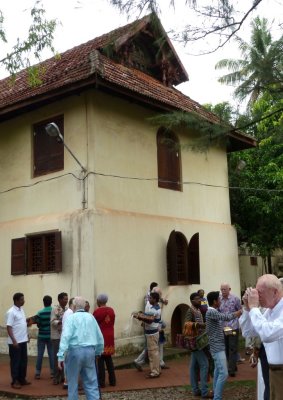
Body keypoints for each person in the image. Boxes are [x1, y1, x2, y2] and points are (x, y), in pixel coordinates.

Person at [239, 274, 283, 400]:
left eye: (260, 292)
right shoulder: (270, 311)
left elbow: (267, 334)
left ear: (274, 292)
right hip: (273, 371)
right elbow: (248, 332)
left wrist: (254, 309)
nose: (257, 296)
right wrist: (247, 309)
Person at [57, 296, 104, 400]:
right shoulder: (91, 317)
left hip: (74, 351)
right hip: (90, 351)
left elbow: (65, 337)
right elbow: (99, 336)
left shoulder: (71, 318)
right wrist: (99, 352)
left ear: (73, 306)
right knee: (91, 382)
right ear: (85, 306)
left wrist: (60, 355)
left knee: (72, 383)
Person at [206, 291, 242, 400]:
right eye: (219, 299)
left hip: (218, 346)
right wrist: (238, 313)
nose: (221, 300)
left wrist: (232, 332)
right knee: (224, 373)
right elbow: (225, 317)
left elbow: (222, 325)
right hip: (217, 348)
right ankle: (217, 397)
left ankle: (215, 395)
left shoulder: (213, 311)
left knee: (218, 372)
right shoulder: (211, 312)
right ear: (214, 301)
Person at [185, 292, 212, 398]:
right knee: (204, 364)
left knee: (193, 366)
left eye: (200, 298)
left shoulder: (198, 310)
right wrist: (199, 325)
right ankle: (204, 391)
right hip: (196, 342)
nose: (199, 300)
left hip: (200, 341)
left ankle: (196, 390)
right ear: (192, 301)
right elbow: (186, 324)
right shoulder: (190, 310)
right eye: (197, 299)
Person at [133, 291, 161, 378]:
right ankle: (157, 369)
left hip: (152, 334)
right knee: (154, 353)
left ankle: (155, 372)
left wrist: (139, 317)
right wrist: (142, 314)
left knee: (152, 353)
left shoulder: (155, 309)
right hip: (152, 332)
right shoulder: (154, 307)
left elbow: (149, 320)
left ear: (155, 299)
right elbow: (147, 315)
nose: (149, 299)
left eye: (151, 298)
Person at [6, 292, 31, 389]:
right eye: (21, 299)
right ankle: (15, 381)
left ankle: (22, 379)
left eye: (23, 299)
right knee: (15, 361)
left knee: (23, 361)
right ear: (16, 300)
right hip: (15, 342)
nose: (23, 301)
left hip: (23, 340)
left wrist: (27, 335)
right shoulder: (11, 312)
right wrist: (14, 341)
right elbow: (9, 327)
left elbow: (23, 324)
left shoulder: (21, 310)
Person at [93, 293, 116, 388]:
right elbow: (112, 322)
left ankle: (101, 382)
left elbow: (94, 325)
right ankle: (112, 381)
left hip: (101, 337)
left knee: (101, 360)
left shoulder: (97, 312)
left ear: (98, 301)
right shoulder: (111, 310)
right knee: (109, 359)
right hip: (110, 336)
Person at [219, 282, 241, 377]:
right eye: (222, 289)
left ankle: (231, 369)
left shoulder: (235, 299)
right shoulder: (219, 299)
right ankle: (232, 365)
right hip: (224, 327)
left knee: (232, 347)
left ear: (229, 289)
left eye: (225, 289)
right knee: (226, 348)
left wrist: (235, 319)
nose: (223, 291)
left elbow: (240, 310)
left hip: (232, 326)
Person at [30, 295, 54, 379]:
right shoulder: (53, 311)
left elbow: (38, 323)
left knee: (40, 354)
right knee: (51, 354)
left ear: (43, 302)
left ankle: (37, 373)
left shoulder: (40, 312)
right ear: (51, 302)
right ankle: (52, 373)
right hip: (51, 336)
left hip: (41, 335)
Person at [50, 292, 68, 385]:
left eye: (67, 299)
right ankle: (56, 377)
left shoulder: (68, 309)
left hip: (64, 336)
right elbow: (52, 321)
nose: (66, 300)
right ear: (60, 300)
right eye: (65, 299)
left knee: (64, 357)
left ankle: (62, 376)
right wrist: (60, 322)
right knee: (57, 356)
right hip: (56, 336)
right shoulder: (55, 309)